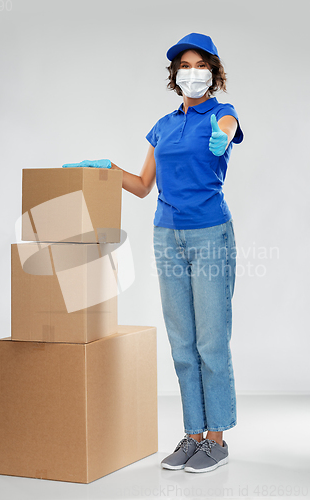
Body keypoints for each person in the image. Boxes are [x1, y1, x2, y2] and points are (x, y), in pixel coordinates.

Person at [64, 31, 244, 474]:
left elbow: (230, 128)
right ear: (175, 75)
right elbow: (144, 187)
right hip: (167, 236)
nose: (192, 72)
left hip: (209, 234)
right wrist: (110, 170)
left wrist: (223, 137)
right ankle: (193, 435)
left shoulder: (222, 113)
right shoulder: (163, 126)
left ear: (213, 72)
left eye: (200, 65)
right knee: (182, 343)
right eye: (184, 66)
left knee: (211, 341)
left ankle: (217, 440)